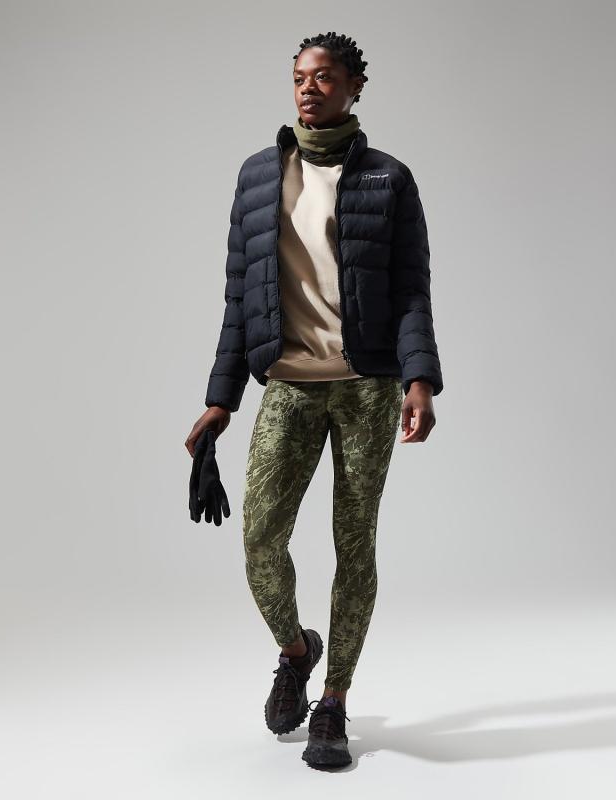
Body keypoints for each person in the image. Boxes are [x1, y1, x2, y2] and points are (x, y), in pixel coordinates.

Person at [184, 31, 443, 770]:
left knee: (354, 542)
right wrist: (222, 399)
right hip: (290, 384)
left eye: (325, 76)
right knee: (261, 539)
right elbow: (240, 297)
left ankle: (333, 701)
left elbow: (412, 290)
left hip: (367, 388)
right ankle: (297, 651)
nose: (308, 87)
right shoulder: (257, 176)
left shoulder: (389, 178)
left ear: (355, 86)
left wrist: (419, 379)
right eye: (300, 76)